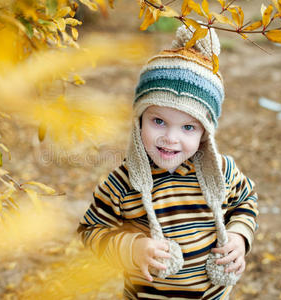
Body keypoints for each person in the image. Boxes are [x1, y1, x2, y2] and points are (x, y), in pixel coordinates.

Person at [78, 24, 258, 299]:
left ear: (205, 133)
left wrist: (239, 236)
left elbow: (246, 200)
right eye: (158, 121)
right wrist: (131, 248)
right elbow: (90, 231)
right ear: (139, 119)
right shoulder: (121, 183)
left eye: (188, 127)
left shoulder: (222, 171)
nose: (170, 138)